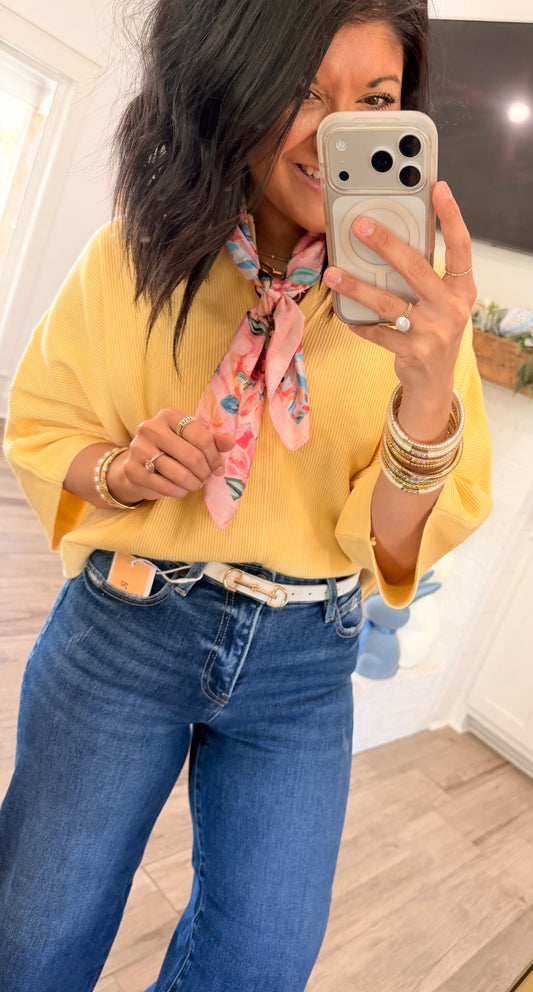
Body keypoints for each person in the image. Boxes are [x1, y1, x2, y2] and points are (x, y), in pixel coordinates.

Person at [0, 0, 492, 989]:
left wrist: (427, 392)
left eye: (374, 100)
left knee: (260, 963)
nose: (335, 135)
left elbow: (391, 544)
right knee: (32, 938)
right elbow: (43, 424)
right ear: (230, 83)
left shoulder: (419, 311)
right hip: (127, 627)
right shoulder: (127, 256)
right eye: (302, 91)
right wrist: (121, 470)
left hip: (304, 662)